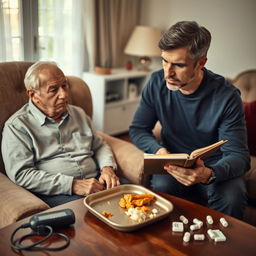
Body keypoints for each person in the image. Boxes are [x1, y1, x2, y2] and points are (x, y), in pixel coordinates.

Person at [129, 21, 250, 219]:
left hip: (214, 165)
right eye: (164, 61)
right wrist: (159, 151)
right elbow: (138, 129)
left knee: (232, 197)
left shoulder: (227, 96)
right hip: (173, 162)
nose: (168, 73)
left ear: (201, 63)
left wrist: (209, 173)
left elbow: (239, 156)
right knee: (161, 187)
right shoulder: (156, 82)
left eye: (178, 64)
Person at [1, 61, 120, 207]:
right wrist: (72, 185)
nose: (64, 95)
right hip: (60, 194)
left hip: (99, 182)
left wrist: (107, 168)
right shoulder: (17, 127)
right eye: (53, 89)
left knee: (138, 205)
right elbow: (22, 174)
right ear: (33, 95)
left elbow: (99, 145)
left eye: (64, 85)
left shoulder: (78, 113)